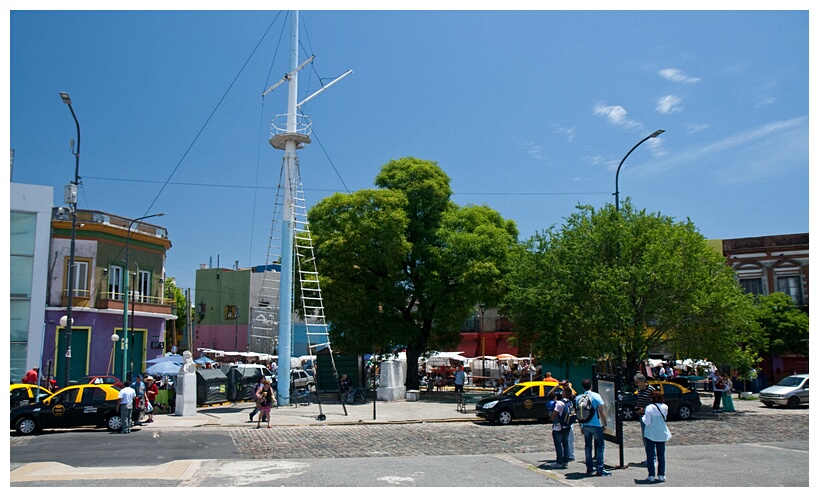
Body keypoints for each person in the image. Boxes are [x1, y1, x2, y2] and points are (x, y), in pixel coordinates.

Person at [577, 378, 611, 477]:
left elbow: (578, 413)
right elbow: (601, 411)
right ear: (591, 386)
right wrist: (604, 424)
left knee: (588, 446)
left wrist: (581, 426)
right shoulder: (596, 396)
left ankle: (589, 468)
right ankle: (600, 469)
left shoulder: (579, 397)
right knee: (600, 446)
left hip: (585, 424)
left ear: (582, 387)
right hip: (595, 424)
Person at [642, 390, 672, 482]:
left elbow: (647, 421)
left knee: (651, 455)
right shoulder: (665, 407)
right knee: (661, 455)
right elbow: (665, 418)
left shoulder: (649, 408)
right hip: (661, 433)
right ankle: (661, 475)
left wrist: (643, 417)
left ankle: (651, 475)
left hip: (651, 433)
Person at [548, 387, 573, 469]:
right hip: (567, 426)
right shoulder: (570, 402)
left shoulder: (560, 403)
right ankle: (566, 461)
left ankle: (559, 462)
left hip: (558, 427)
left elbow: (555, 413)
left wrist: (551, 418)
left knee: (558, 445)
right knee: (566, 444)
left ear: (565, 393)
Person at [633, 373, 655, 465]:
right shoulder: (640, 391)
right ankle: (649, 456)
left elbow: (655, 405)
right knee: (645, 437)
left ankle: (653, 458)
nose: (637, 384)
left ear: (643, 381)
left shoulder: (651, 390)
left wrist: (644, 409)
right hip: (642, 416)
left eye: (637, 382)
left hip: (650, 417)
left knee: (651, 437)